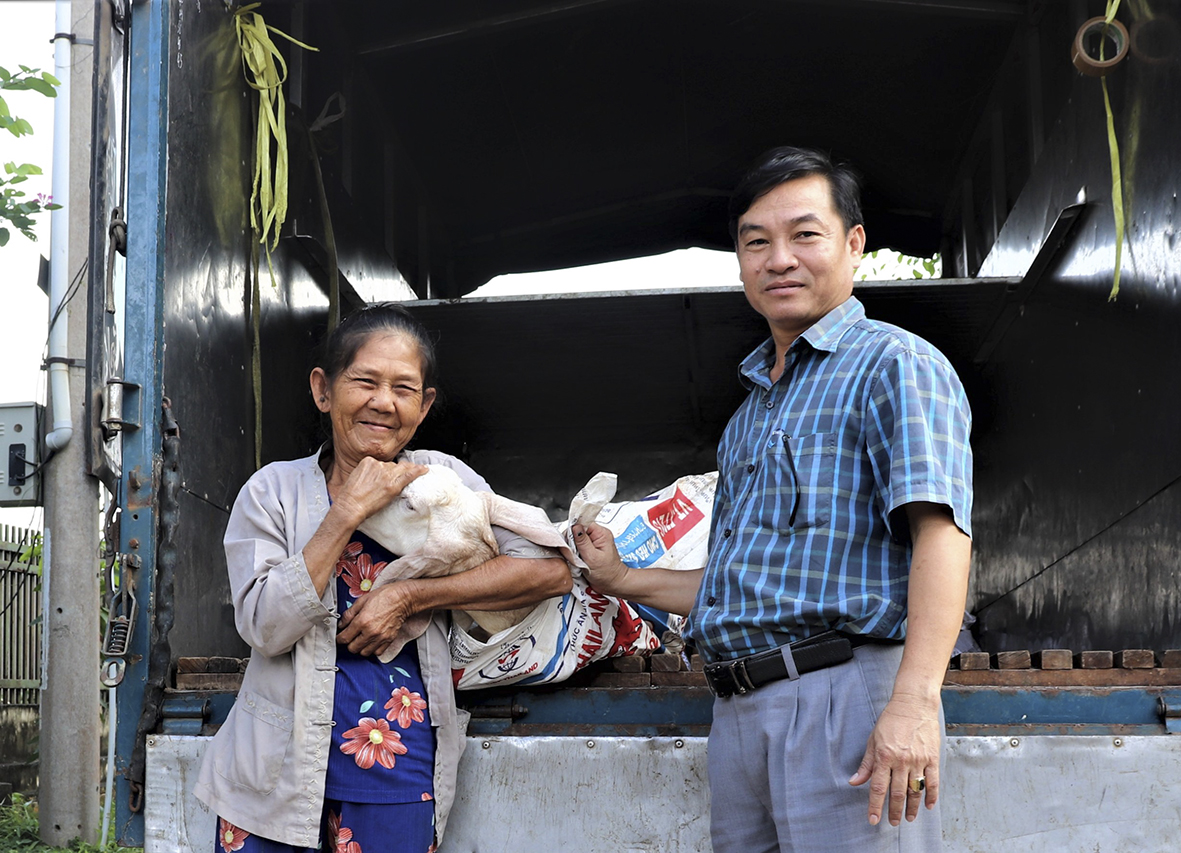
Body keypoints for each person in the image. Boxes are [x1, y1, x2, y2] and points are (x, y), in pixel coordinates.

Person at [574, 146, 972, 852]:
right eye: (756, 241)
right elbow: (736, 586)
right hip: (738, 711)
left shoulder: (893, 364)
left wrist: (912, 702)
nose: (778, 258)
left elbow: (942, 535)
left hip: (844, 698)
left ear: (853, 244)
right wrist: (621, 579)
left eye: (804, 235)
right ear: (738, 262)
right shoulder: (749, 414)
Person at [195, 304, 571, 853]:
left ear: (424, 406)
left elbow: (549, 570)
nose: (383, 402)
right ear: (324, 391)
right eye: (365, 381)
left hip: (397, 766)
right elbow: (264, 626)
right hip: (273, 769)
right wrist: (345, 512)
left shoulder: (441, 480)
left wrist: (411, 595)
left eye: (404, 388)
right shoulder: (271, 491)